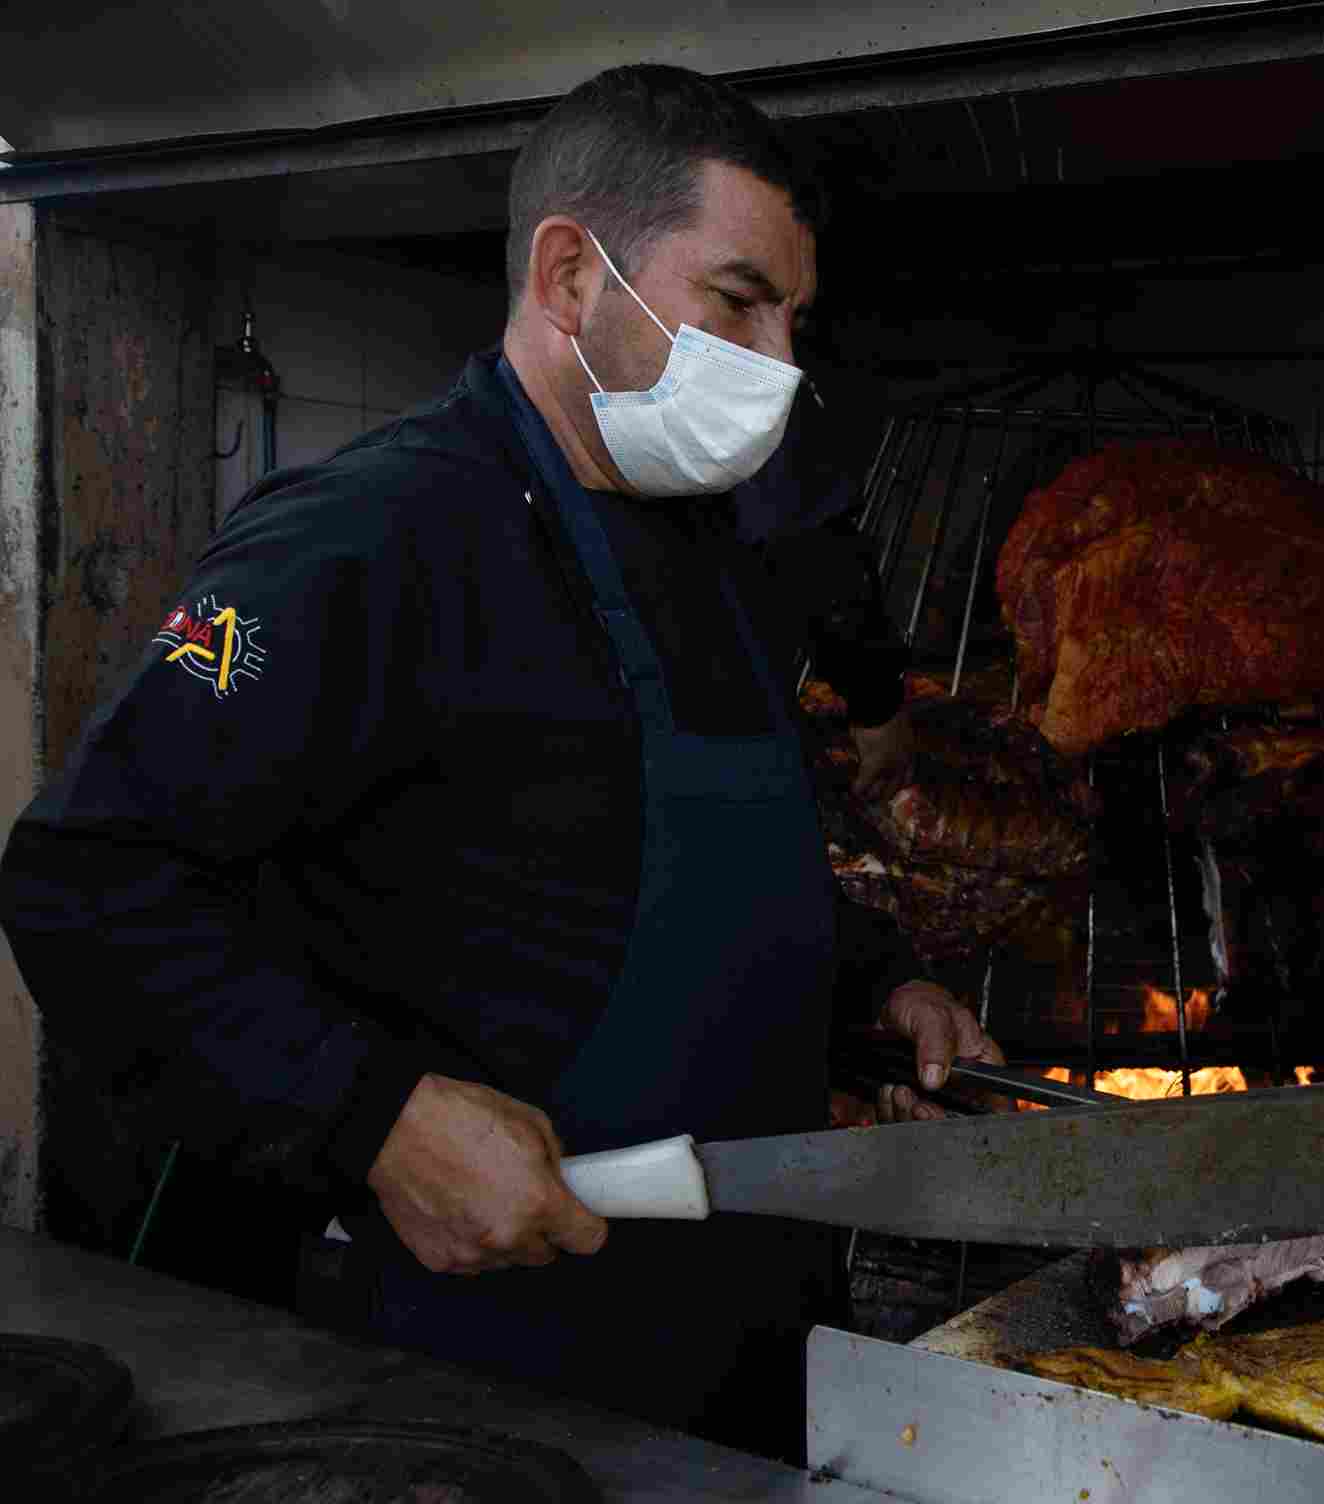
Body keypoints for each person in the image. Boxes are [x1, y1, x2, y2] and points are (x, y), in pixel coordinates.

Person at [0, 63, 999, 1459]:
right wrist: (372, 1118)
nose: (777, 363)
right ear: (570, 274)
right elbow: (85, 880)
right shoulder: (363, 537)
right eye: (734, 301)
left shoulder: (712, 551)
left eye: (793, 317)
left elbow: (666, 853)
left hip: (743, 1319)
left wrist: (872, 978)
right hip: (472, 1359)